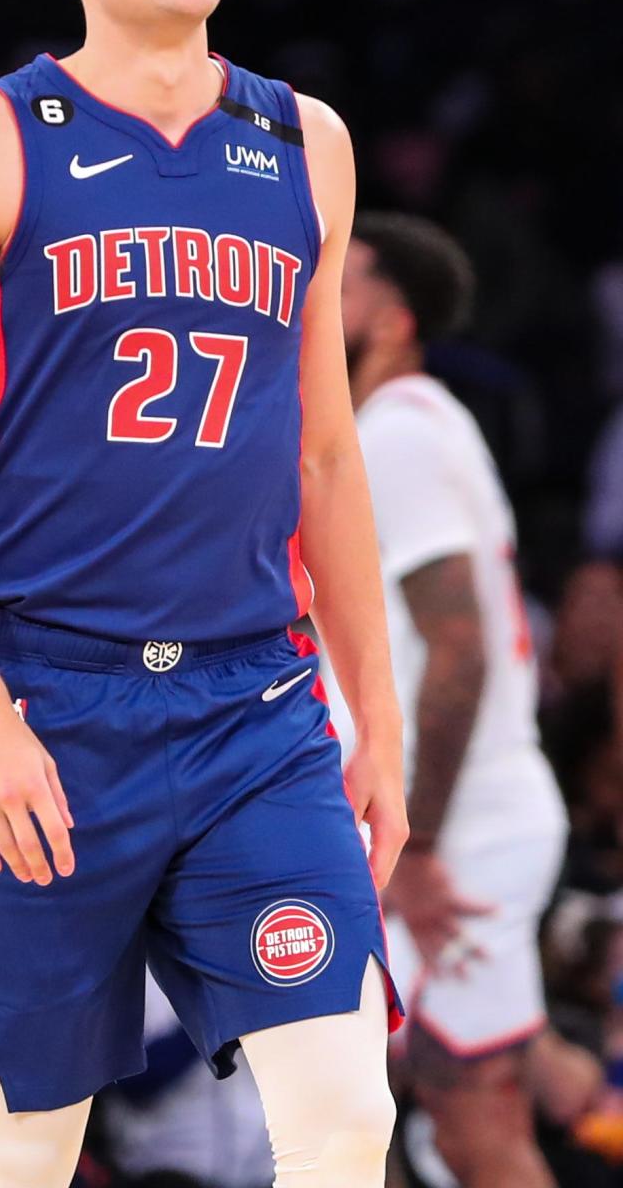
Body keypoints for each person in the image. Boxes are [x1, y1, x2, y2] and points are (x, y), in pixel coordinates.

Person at [0, 0, 408, 1188]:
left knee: (349, 1115)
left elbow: (327, 456)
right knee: (26, 1150)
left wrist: (377, 722)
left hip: (254, 706)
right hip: (46, 695)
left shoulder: (304, 142)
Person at [322, 211, 571, 1186]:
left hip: (452, 829)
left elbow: (458, 648)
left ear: (392, 319)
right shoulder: (400, 429)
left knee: (466, 1130)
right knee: (357, 1119)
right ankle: (573, 1077)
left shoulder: (401, 434)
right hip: (440, 818)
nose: (311, 307)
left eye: (341, 288)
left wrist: (416, 848)